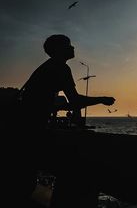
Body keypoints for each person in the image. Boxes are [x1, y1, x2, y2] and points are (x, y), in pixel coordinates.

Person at [13, 34, 115, 207]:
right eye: (68, 45)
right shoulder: (60, 67)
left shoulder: (47, 67)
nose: (72, 47)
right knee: (34, 178)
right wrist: (102, 99)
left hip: (22, 127)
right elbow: (74, 100)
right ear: (58, 49)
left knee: (24, 179)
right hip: (30, 129)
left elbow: (48, 102)